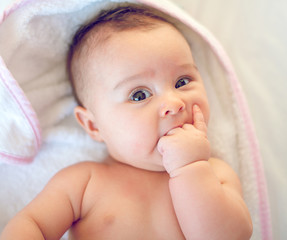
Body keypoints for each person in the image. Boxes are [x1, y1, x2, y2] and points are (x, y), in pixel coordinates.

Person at [0, 3, 252, 240]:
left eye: (182, 81)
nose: (174, 103)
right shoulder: (83, 183)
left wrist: (190, 168)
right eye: (139, 95)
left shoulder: (213, 173)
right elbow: (32, 225)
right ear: (93, 125)